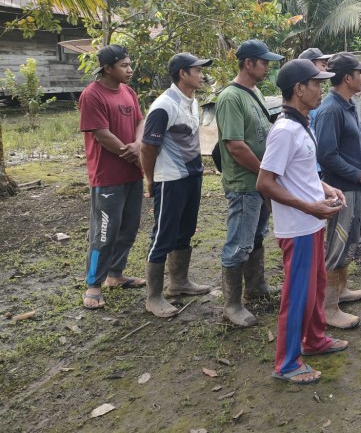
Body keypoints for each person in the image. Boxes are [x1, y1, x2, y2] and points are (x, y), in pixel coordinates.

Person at [256, 59, 347, 385]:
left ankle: (314, 339)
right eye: (316, 83)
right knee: (298, 295)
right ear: (299, 89)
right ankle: (287, 363)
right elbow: (265, 182)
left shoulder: (302, 124)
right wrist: (308, 207)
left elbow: (302, 172)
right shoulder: (284, 131)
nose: (321, 89)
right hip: (298, 227)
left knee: (315, 287)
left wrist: (326, 187)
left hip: (312, 222)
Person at [216, 40, 284, 327]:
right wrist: (262, 174)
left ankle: (256, 286)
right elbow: (235, 146)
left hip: (257, 183)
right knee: (238, 243)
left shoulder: (252, 92)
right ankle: (232, 304)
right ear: (248, 63)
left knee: (256, 236)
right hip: (245, 184)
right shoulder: (231, 97)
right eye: (263, 61)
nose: (267, 66)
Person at [140, 53, 214, 317]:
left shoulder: (192, 101)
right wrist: (150, 179)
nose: (202, 74)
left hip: (192, 176)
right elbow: (148, 147)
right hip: (170, 179)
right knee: (163, 235)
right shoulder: (164, 106)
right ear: (183, 73)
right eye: (198, 70)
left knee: (186, 230)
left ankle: (179, 282)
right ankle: (154, 297)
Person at [315, 53, 361, 327]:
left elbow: (346, 144)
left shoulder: (347, 105)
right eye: (360, 73)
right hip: (342, 189)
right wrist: (358, 173)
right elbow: (327, 155)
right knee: (337, 243)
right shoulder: (331, 109)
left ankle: (341, 291)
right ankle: (328, 308)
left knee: (348, 241)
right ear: (347, 78)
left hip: (354, 188)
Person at [78, 45, 145, 310]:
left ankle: (115, 275)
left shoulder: (128, 91)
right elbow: (100, 133)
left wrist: (138, 144)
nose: (130, 70)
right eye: (124, 66)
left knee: (128, 227)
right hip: (107, 177)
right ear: (108, 68)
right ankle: (93, 284)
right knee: (104, 231)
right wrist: (127, 152)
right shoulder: (92, 95)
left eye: (130, 65)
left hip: (132, 172)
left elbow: (140, 121)